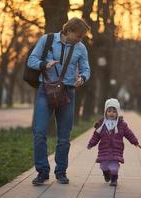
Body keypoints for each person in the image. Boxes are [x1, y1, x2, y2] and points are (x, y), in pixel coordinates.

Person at [27, 17, 90, 185]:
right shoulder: (47, 40)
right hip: (45, 90)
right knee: (39, 132)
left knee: (64, 136)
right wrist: (44, 64)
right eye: (78, 36)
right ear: (68, 31)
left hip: (68, 92)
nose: (80, 39)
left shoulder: (81, 48)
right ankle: (42, 172)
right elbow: (31, 60)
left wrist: (82, 78)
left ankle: (61, 171)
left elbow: (86, 68)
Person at [87, 98, 141, 186]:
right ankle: (106, 173)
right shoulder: (101, 124)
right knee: (103, 166)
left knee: (114, 167)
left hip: (116, 149)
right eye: (109, 111)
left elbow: (129, 133)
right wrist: (91, 144)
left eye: (114, 111)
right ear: (105, 112)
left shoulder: (121, 124)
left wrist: (135, 142)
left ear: (117, 113)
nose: (111, 113)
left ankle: (114, 179)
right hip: (104, 149)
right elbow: (96, 135)